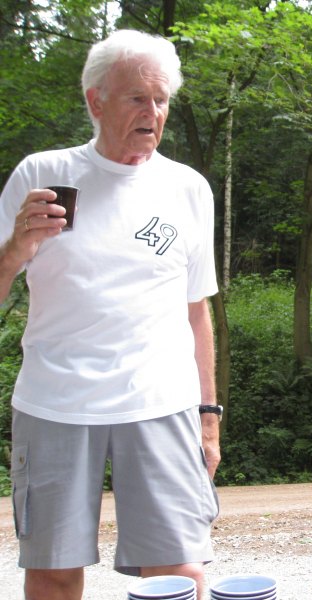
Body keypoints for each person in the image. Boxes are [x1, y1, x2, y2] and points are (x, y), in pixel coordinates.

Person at [0, 30, 221, 599]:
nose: (153, 112)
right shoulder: (40, 174)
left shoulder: (188, 189)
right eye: (137, 98)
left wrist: (209, 417)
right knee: (52, 573)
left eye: (161, 99)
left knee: (180, 570)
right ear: (96, 101)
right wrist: (16, 250)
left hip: (162, 404)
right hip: (56, 403)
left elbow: (196, 312)